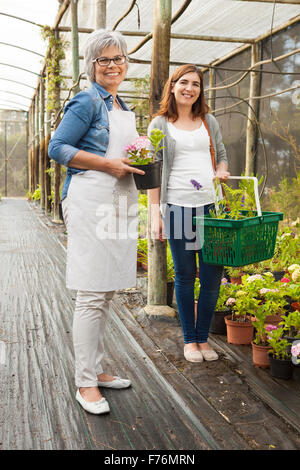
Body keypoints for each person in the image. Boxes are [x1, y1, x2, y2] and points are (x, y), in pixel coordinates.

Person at [48, 30, 144, 415]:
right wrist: (108, 163)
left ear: (126, 63)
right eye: (103, 60)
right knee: (91, 291)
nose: (112, 65)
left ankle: (98, 370)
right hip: (90, 196)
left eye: (118, 58)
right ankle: (84, 383)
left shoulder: (121, 104)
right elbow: (58, 148)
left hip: (119, 197)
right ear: (92, 65)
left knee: (105, 291)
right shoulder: (87, 101)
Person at [148, 64, 230, 363]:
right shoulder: (160, 125)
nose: (189, 88)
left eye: (195, 84)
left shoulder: (209, 120)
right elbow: (152, 172)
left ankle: (203, 338)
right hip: (178, 208)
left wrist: (221, 170)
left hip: (211, 209)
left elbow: (220, 155)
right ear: (172, 86)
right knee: (184, 275)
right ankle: (189, 341)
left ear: (200, 90)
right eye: (184, 82)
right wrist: (155, 215)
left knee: (211, 276)